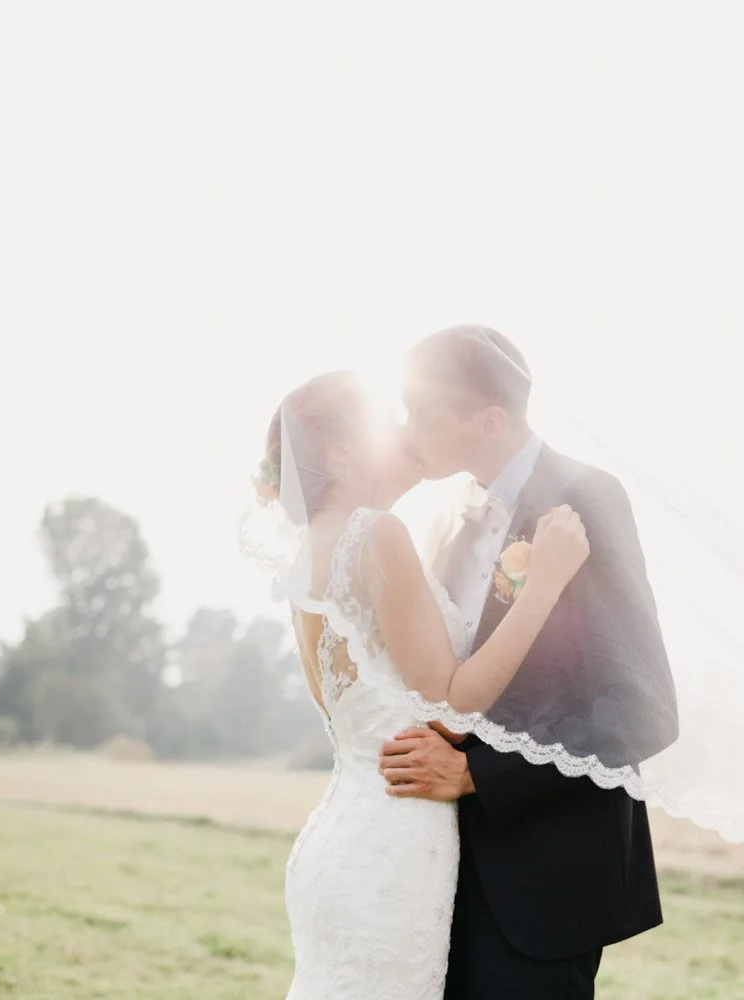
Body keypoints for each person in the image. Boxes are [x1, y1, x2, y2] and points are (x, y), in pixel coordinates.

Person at [242, 367, 595, 1000]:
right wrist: (543, 584)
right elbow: (449, 707)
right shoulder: (376, 533)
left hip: (340, 837)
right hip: (393, 844)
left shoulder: (309, 554)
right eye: (386, 420)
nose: (408, 433)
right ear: (342, 450)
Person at [378, 325, 677, 999]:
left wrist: (477, 774)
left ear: (489, 420)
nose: (405, 430)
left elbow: (640, 709)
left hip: (546, 873)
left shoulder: (585, 498)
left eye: (421, 414)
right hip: (439, 868)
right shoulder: (449, 514)